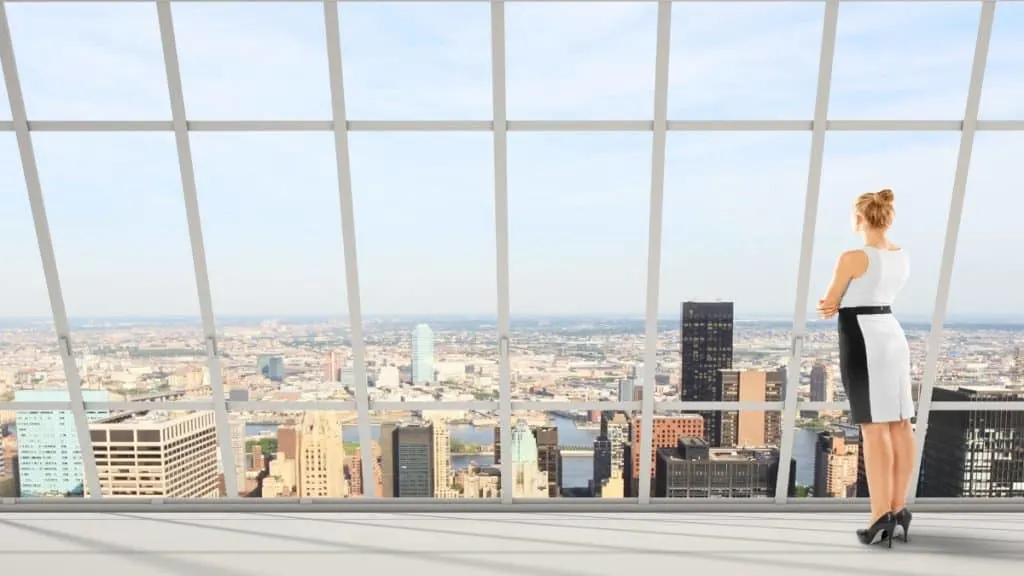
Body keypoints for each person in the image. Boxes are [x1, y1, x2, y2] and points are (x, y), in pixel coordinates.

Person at [816, 189, 916, 547]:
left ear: (859, 219)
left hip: (863, 339)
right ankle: (899, 508)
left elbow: (830, 301)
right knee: (901, 423)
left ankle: (879, 516)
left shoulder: (852, 257)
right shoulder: (901, 256)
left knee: (874, 429)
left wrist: (829, 304)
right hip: (893, 335)